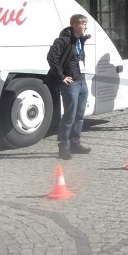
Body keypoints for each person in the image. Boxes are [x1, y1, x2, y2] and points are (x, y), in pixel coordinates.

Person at [46, 13, 92, 160]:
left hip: (82, 81)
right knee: (69, 116)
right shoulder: (63, 40)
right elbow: (51, 57)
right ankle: (63, 145)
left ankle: (75, 143)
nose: (85, 26)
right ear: (74, 25)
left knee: (80, 115)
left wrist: (84, 38)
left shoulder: (79, 39)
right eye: (83, 24)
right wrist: (61, 77)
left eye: (86, 23)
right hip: (70, 83)